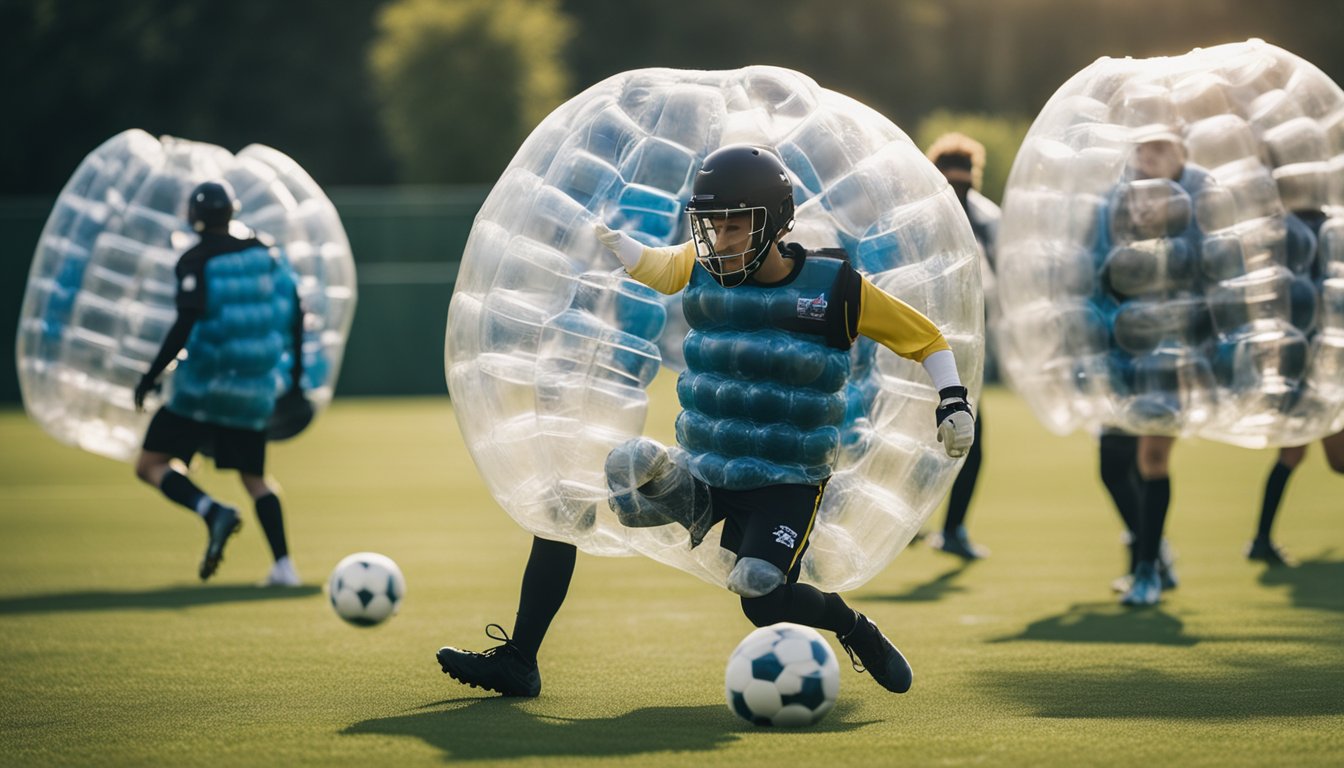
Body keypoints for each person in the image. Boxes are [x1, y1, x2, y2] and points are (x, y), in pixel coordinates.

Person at [436, 144, 976, 697]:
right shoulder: (701, 268)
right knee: (576, 490)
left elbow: (926, 338)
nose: (721, 238)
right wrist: (616, 241)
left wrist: (952, 399)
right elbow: (658, 268)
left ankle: (854, 628)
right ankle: (520, 660)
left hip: (784, 482)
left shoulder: (835, 288)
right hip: (705, 470)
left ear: (774, 221)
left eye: (736, 223)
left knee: (760, 597)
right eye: (712, 224)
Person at [132, 180, 305, 586]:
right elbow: (294, 313)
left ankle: (211, 510)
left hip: (202, 392)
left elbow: (184, 324)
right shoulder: (265, 255)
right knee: (255, 479)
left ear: (195, 218)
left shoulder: (195, 261)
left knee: (151, 464)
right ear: (232, 212)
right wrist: (294, 381)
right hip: (253, 392)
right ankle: (285, 568)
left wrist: (150, 377)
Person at [1109, 129, 1211, 607]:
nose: (1148, 159)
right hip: (1125, 346)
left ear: (1181, 157)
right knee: (1111, 465)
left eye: (1159, 151)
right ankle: (1154, 551)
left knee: (1152, 458)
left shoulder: (1198, 204)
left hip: (1173, 349)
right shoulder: (1118, 204)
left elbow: (1206, 270)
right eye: (1142, 151)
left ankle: (1147, 570)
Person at [922, 132, 998, 560]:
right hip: (911, 351)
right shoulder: (914, 221)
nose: (959, 193)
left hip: (963, 353)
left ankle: (952, 529)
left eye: (965, 184)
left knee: (971, 440)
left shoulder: (985, 220)